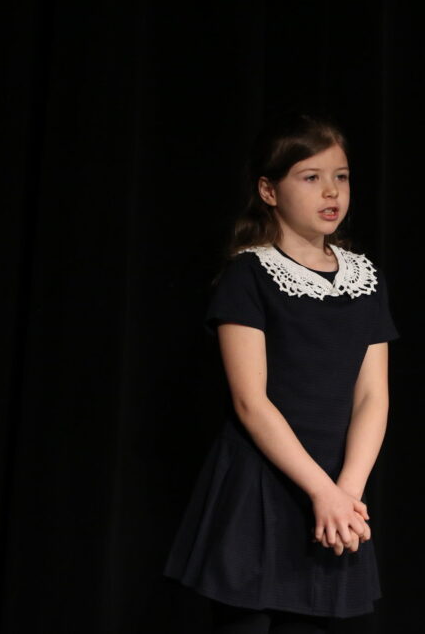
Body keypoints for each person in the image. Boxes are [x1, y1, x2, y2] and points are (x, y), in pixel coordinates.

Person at [163, 112, 399, 633]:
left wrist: (346, 493)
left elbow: (372, 397)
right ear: (269, 190)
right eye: (310, 177)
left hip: (335, 492)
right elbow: (251, 401)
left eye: (341, 176)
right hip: (263, 487)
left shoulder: (365, 280)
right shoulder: (249, 275)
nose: (331, 191)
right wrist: (321, 491)